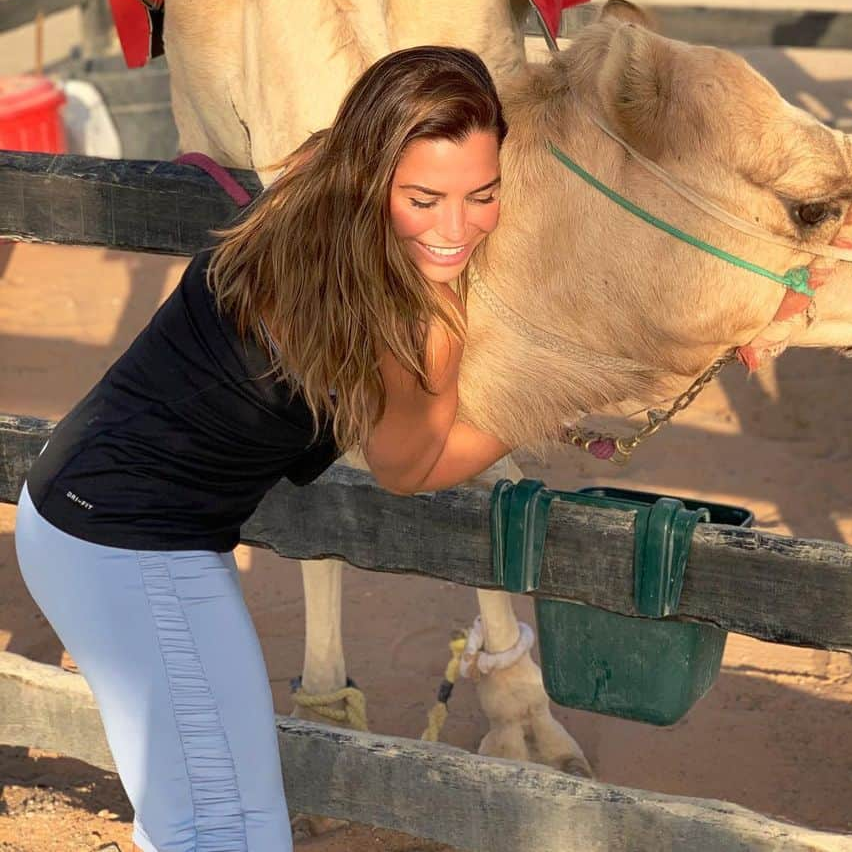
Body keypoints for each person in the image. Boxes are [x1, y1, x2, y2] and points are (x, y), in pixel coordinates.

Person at [15, 46, 511, 852]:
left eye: (483, 194)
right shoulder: (411, 318)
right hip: (132, 549)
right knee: (223, 831)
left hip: (80, 516)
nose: (456, 229)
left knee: (212, 819)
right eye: (425, 198)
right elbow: (407, 465)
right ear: (375, 174)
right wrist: (535, 413)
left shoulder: (313, 184)